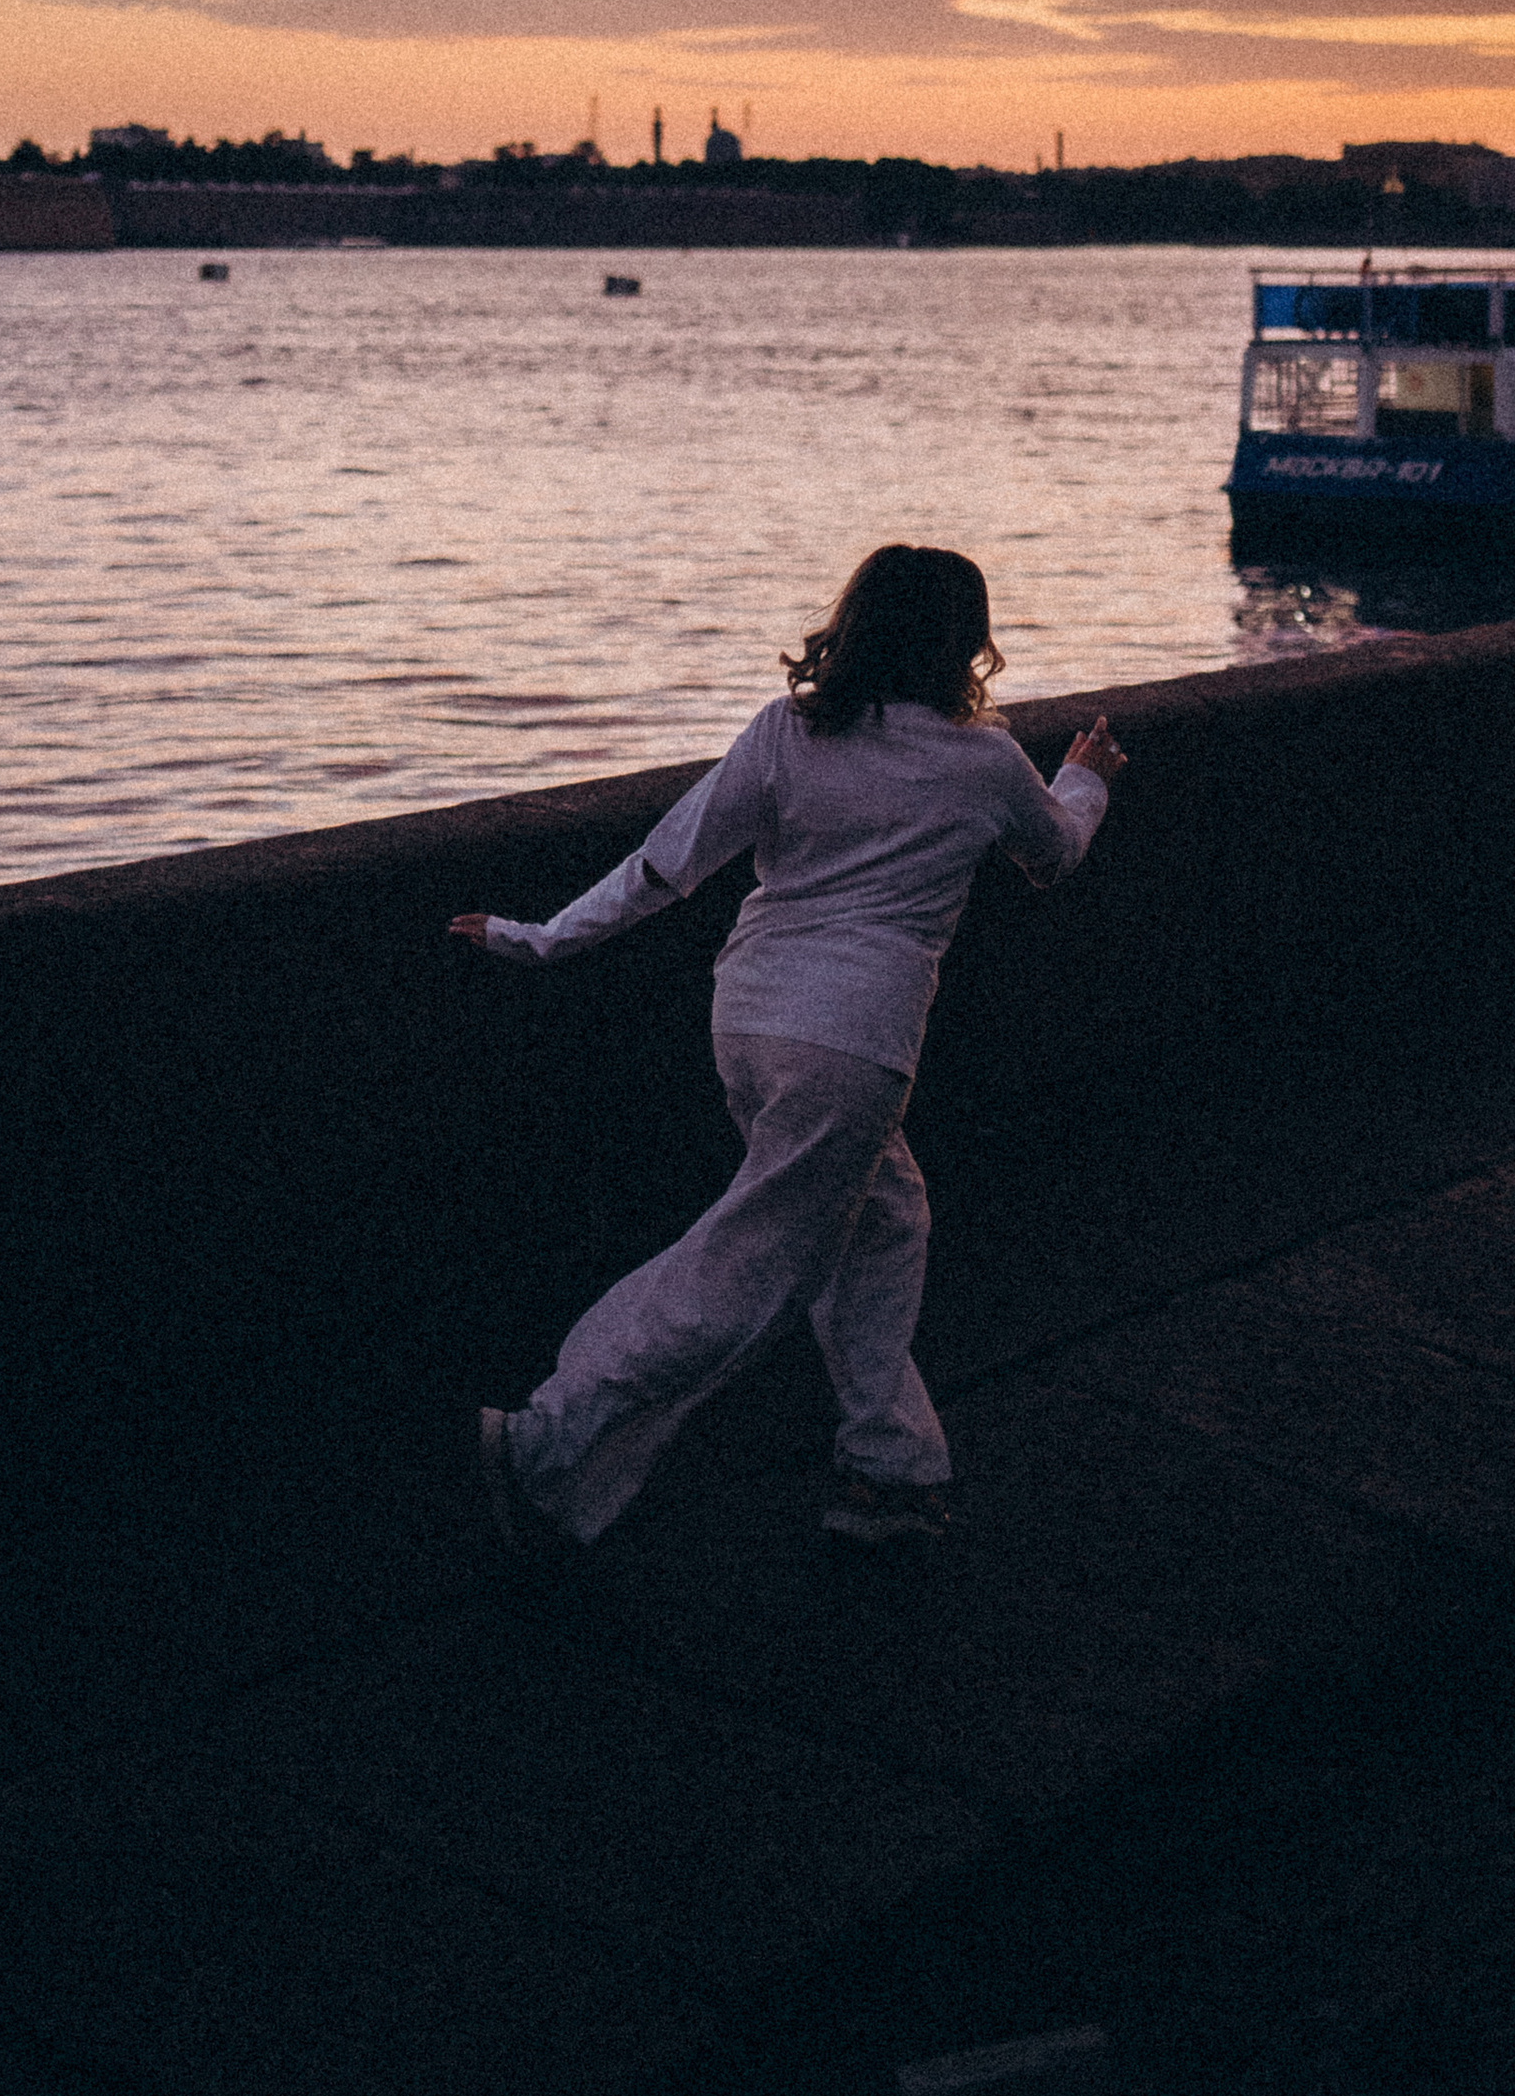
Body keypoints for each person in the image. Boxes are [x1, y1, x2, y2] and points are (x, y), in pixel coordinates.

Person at [449, 544, 1126, 1553]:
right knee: (744, 1267)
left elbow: (663, 866)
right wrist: (1082, 782)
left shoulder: (786, 733)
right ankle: (543, 1440)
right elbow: (1054, 858)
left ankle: (886, 1472)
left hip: (750, 1018)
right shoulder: (983, 761)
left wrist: (535, 937)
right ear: (963, 643)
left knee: (883, 1220)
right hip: (854, 1046)